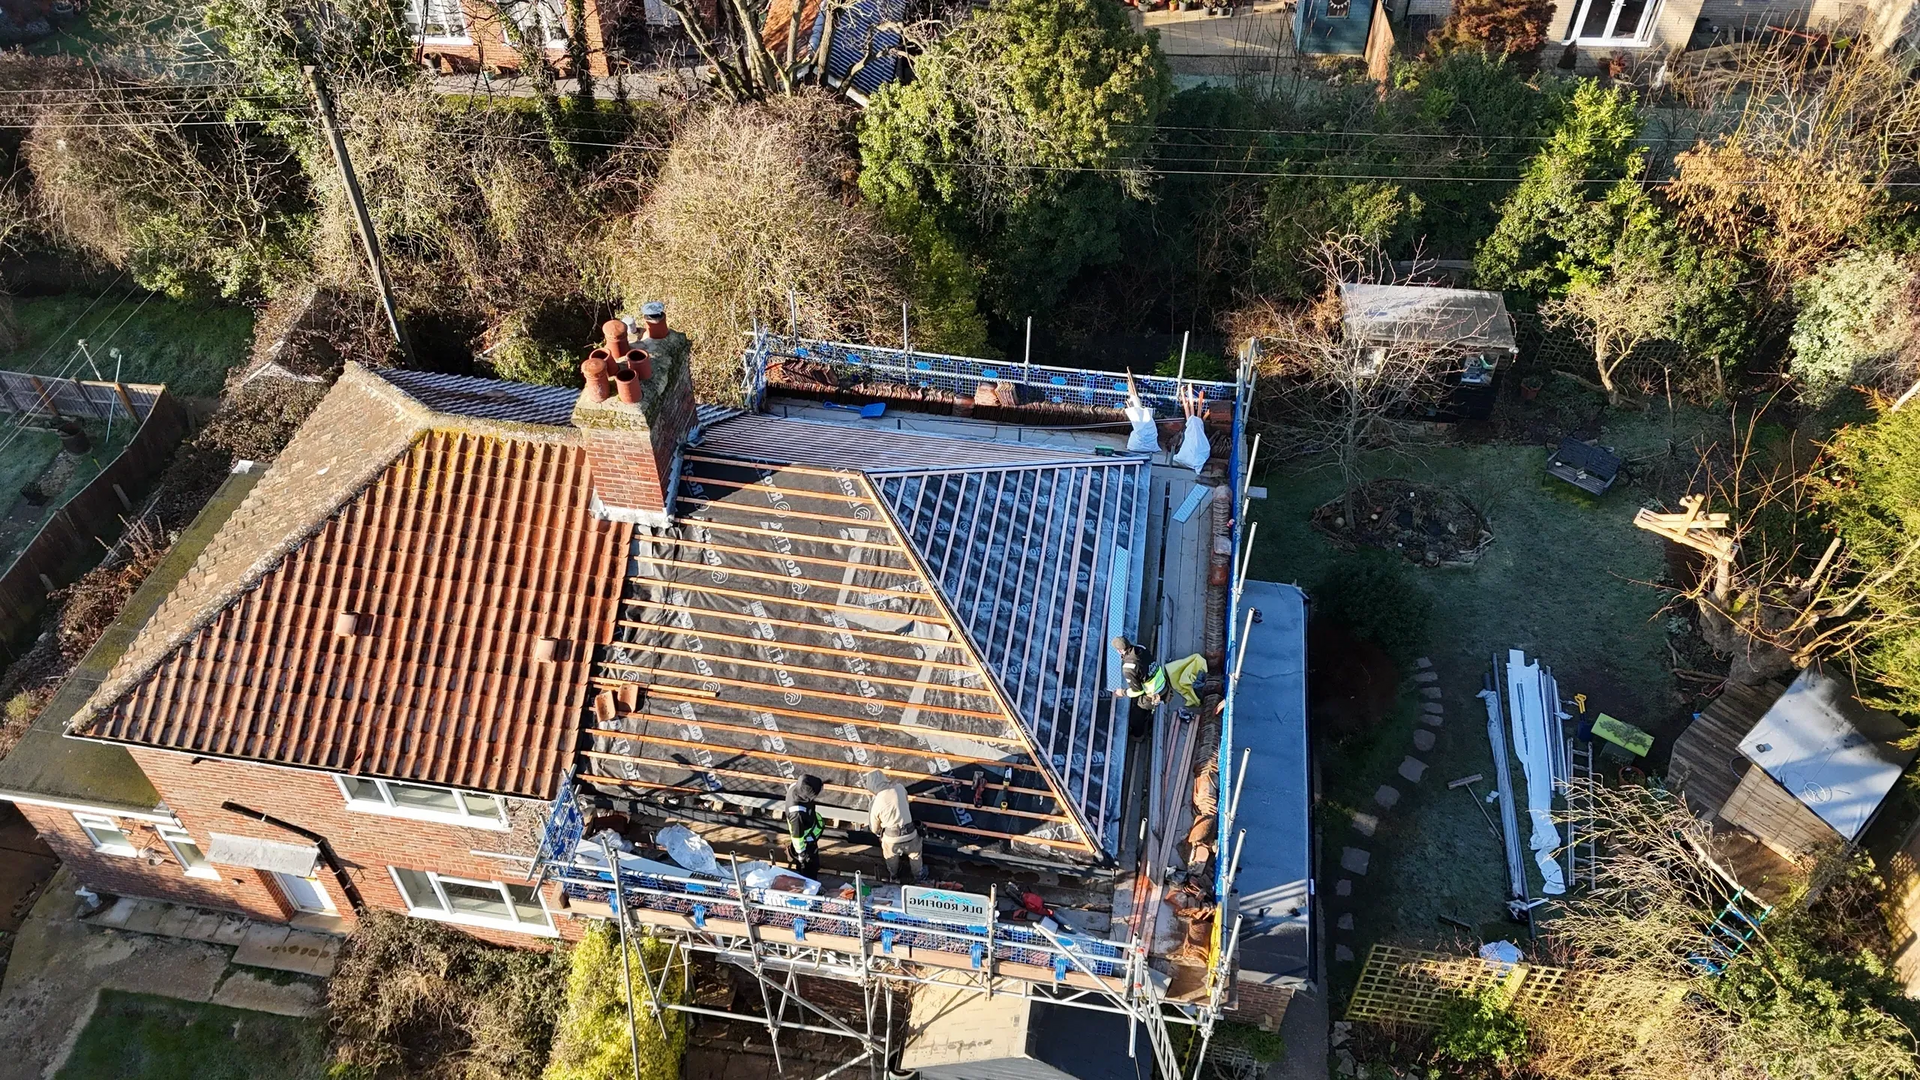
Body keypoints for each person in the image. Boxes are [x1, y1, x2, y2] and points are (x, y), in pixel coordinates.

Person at [862, 770, 924, 883]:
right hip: (910, 833)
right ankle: (918, 876)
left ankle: (894, 876)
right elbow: (905, 803)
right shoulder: (899, 788)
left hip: (891, 838)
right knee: (915, 855)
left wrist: (878, 833)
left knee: (891, 858)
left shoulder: (876, 802)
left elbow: (874, 827)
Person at [784, 775, 825, 877]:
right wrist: (802, 854)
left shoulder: (796, 788)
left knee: (811, 864)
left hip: (808, 833)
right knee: (808, 869)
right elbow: (797, 837)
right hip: (806, 842)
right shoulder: (797, 814)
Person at [1112, 636, 1169, 709]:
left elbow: (1138, 691)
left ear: (1119, 651)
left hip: (1155, 690)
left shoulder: (1128, 668)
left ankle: (1155, 703)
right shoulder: (1141, 648)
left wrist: (1122, 692)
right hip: (1163, 680)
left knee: (1142, 703)